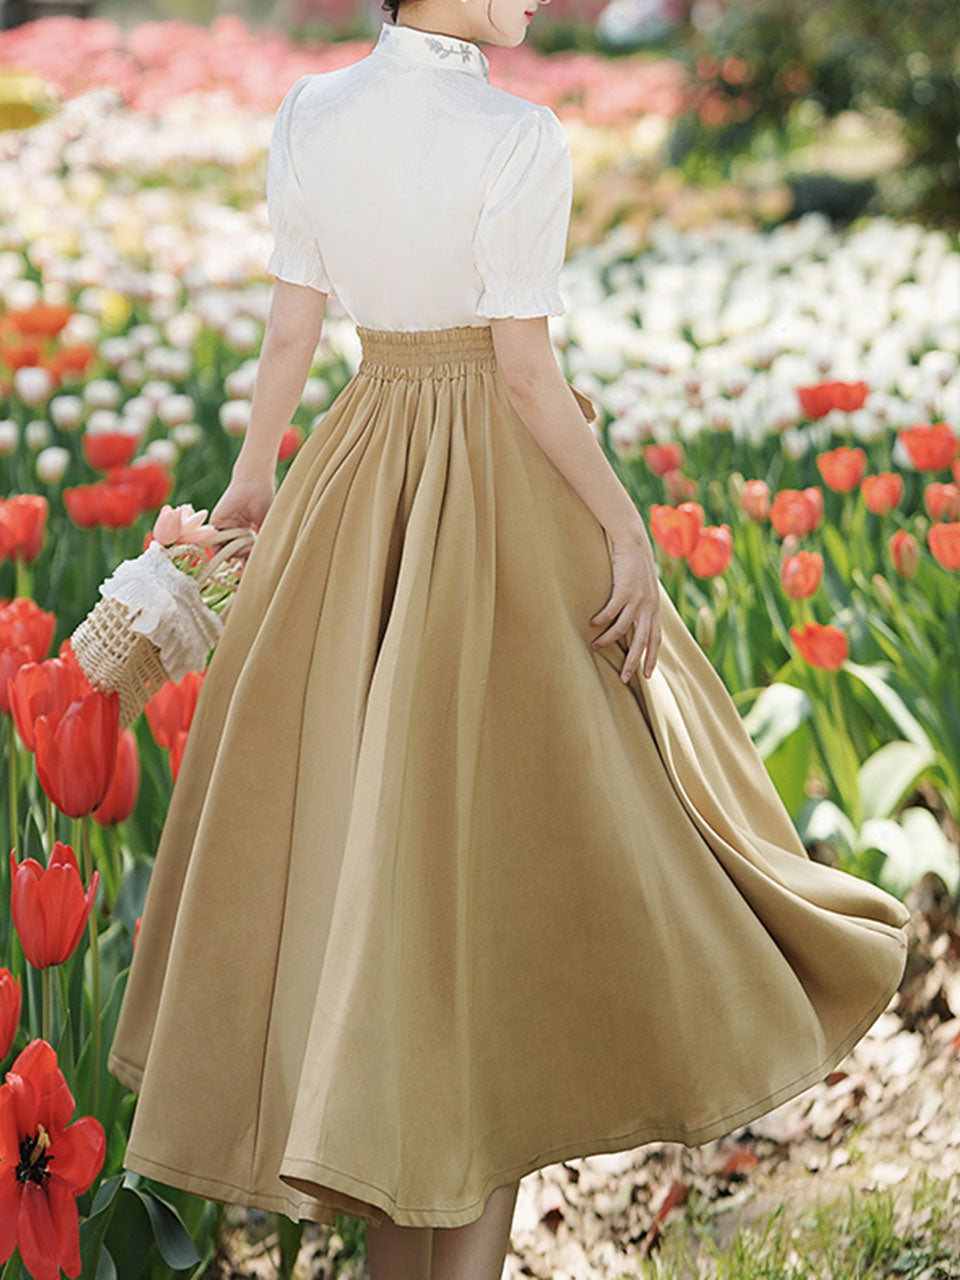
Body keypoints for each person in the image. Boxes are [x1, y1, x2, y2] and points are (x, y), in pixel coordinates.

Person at [106, 1, 911, 1277]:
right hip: (494, 506)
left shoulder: (311, 116)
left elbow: (292, 325)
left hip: (359, 477)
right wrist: (627, 529)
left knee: (387, 887)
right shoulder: (514, 134)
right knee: (491, 901)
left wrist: (255, 477)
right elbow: (527, 376)